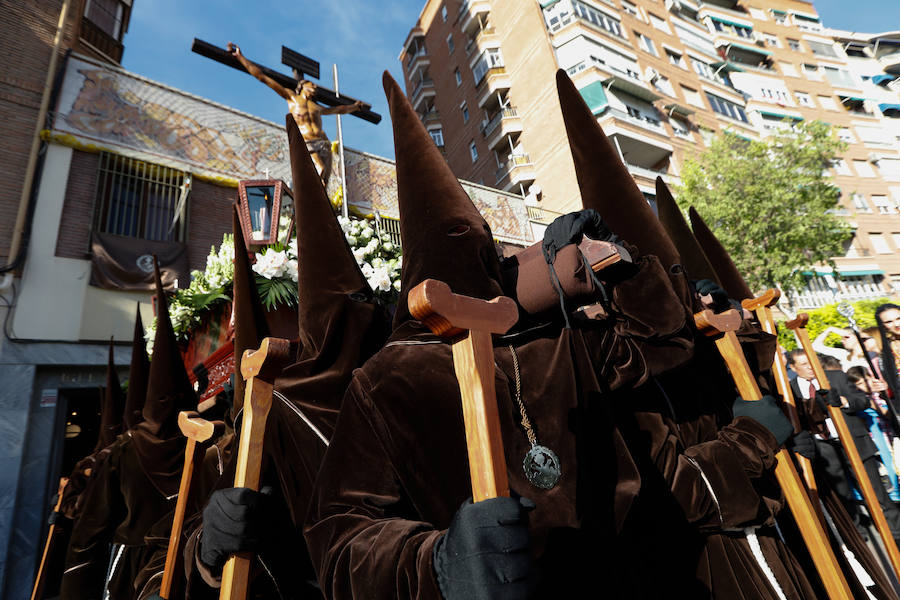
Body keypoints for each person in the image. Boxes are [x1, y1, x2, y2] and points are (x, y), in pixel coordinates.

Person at [305, 70, 816, 600]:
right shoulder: (384, 380)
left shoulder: (555, 340)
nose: (482, 261)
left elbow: (661, 342)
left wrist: (624, 265)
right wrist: (435, 563)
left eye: (485, 250)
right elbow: (340, 535)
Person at [60, 262, 197, 600]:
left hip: (139, 567)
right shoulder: (203, 440)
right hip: (186, 564)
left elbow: (91, 528)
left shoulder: (126, 448)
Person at [789, 348, 900, 543]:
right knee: (842, 494)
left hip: (854, 441)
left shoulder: (835, 376)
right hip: (824, 447)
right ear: (793, 367)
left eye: (811, 362)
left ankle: (896, 532)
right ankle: (858, 536)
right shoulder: (790, 389)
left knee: (876, 490)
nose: (810, 368)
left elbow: (862, 400)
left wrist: (844, 401)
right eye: (803, 364)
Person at [227, 42, 365, 186]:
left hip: (323, 145)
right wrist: (241, 57)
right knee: (320, 170)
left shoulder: (317, 107)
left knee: (324, 184)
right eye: (311, 84)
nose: (315, 86)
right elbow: (263, 77)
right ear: (302, 87)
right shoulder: (292, 98)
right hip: (307, 143)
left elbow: (340, 109)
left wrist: (355, 107)